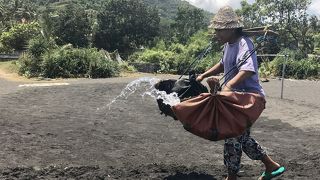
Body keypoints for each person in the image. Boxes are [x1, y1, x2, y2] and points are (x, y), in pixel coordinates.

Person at [195, 6, 285, 180]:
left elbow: (248, 70)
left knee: (232, 135)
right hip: (235, 99)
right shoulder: (228, 45)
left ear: (231, 28)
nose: (217, 33)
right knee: (239, 136)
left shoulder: (244, 43)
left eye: (220, 30)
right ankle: (270, 166)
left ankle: (233, 177)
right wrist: (204, 75)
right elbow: (222, 64)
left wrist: (228, 86)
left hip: (250, 98)